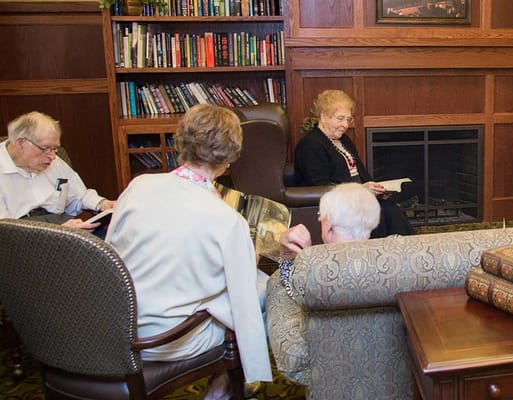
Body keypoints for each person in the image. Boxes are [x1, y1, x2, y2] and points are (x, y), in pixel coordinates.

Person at [104, 104, 272, 397]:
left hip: (116, 325)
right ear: (230, 156)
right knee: (267, 291)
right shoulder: (226, 219)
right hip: (169, 340)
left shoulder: (139, 186)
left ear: (181, 141)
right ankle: (226, 389)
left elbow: (108, 257)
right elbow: (242, 298)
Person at [294, 89, 414, 239]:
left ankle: (399, 253)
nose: (345, 125)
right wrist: (360, 191)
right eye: (340, 118)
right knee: (387, 212)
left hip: (359, 197)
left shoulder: (344, 140)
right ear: (323, 116)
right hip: (340, 203)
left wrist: (377, 189)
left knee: (390, 207)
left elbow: (361, 173)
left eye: (348, 119)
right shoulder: (310, 145)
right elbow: (319, 186)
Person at [0, 111, 115, 234]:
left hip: (61, 222)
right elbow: (5, 233)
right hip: (22, 237)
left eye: (55, 148)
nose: (53, 156)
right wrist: (58, 233)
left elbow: (80, 196)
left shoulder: (52, 161)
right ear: (21, 143)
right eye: (46, 148)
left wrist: (102, 204)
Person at [276, 182, 381, 298]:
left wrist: (297, 257)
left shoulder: (310, 276)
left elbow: (285, 287)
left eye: (320, 215)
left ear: (329, 227)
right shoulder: (394, 260)